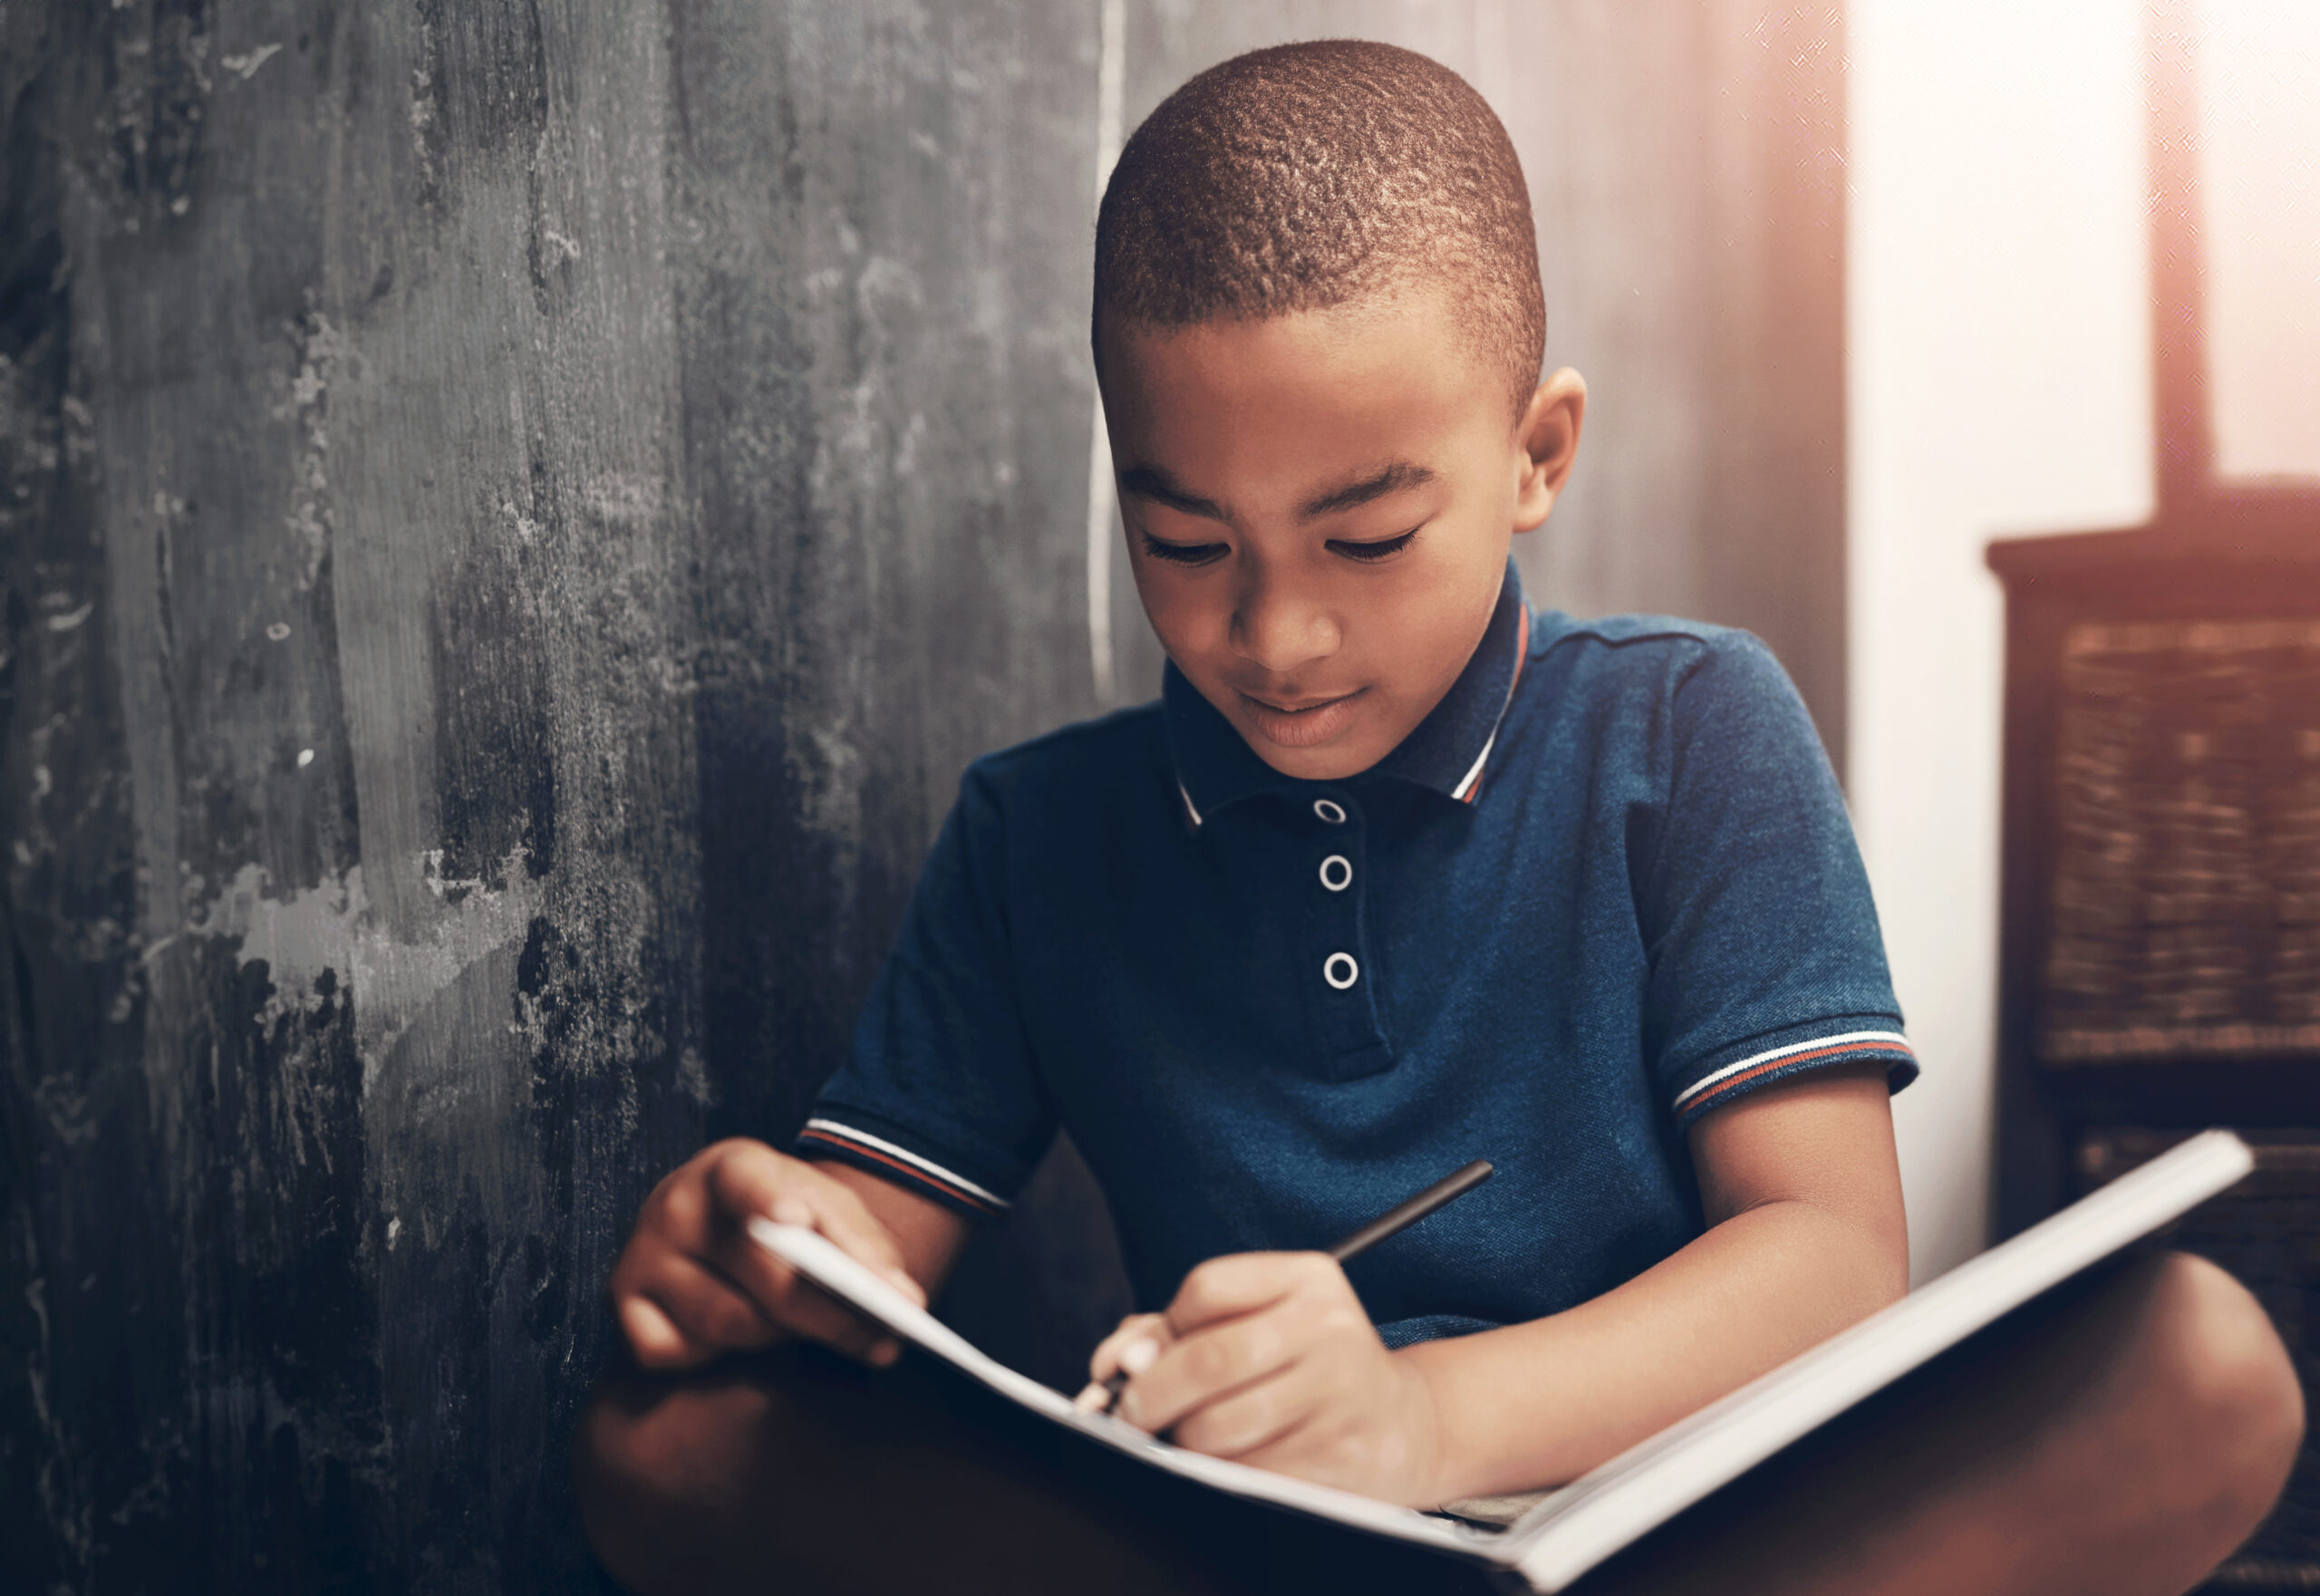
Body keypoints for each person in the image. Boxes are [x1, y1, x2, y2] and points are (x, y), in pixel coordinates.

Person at [575, 41, 2304, 1595]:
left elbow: (1833, 1259)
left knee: (2197, 1361)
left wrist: (1414, 1415)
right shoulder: (1038, 835)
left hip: (1662, 1519)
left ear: (1537, 454)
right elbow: (874, 1242)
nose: (1277, 636)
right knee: (671, 1447)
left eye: (1368, 538)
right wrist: (766, 1248)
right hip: (1239, 1537)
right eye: (1187, 546)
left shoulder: (1689, 726)